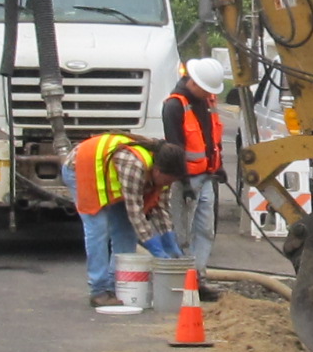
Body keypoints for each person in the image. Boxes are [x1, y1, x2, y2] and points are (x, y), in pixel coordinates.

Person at [62, 135, 187, 308]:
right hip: (82, 167)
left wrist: (171, 243)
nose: (168, 184)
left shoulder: (165, 176)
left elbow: (160, 209)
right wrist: (155, 248)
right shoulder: (135, 166)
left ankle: (117, 285)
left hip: (110, 176)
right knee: (98, 229)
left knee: (126, 231)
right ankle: (99, 290)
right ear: (157, 171)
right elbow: (135, 212)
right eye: (168, 180)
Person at [162, 57, 226, 301]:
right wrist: (185, 182)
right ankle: (182, 279)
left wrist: (217, 166)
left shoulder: (207, 101)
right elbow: (175, 147)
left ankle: (198, 278)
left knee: (205, 229)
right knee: (183, 232)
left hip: (207, 176)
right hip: (186, 179)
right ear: (194, 83)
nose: (210, 93)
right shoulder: (174, 106)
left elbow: (212, 136)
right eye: (206, 88)